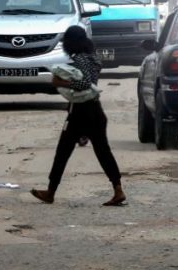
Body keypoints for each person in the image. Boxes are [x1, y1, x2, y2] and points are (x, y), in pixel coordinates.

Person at [31, 26, 126, 206]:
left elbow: (83, 83)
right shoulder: (94, 58)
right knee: (103, 152)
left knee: (63, 151)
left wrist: (59, 82)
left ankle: (50, 192)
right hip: (96, 111)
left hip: (80, 112)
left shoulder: (79, 59)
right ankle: (118, 188)